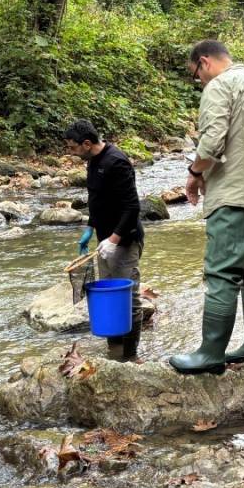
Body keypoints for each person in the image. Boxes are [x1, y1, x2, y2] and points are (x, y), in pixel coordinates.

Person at [168, 40, 244, 375]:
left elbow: (213, 141)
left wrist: (194, 173)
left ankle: (210, 353)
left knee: (222, 274)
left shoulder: (220, 86)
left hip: (233, 194)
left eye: (195, 75)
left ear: (204, 63)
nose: (198, 82)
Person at [65, 119, 146, 362]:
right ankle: (115, 350)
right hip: (105, 240)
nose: (71, 152)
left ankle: (131, 356)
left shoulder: (117, 162)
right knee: (110, 296)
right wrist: (90, 227)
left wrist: (114, 239)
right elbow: (97, 200)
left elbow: (132, 207)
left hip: (124, 240)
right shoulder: (92, 161)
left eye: (73, 147)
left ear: (87, 143)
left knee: (129, 299)